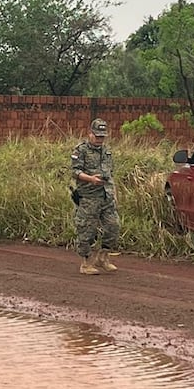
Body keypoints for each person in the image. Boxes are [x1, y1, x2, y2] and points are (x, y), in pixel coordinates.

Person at [70, 118, 121, 275]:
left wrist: (113, 192)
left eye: (102, 136)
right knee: (87, 231)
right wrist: (91, 179)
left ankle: (103, 257)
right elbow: (75, 172)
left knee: (113, 227)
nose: (99, 139)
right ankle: (86, 263)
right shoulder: (81, 150)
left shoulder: (106, 152)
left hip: (106, 196)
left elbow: (110, 174)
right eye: (97, 136)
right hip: (88, 197)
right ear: (89, 133)